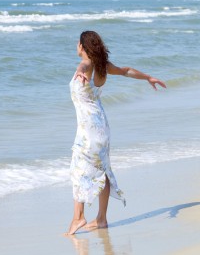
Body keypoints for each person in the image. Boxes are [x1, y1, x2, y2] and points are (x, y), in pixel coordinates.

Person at [66, 30, 166, 235]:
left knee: (78, 169)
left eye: (78, 43)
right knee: (103, 171)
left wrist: (78, 69)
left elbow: (83, 66)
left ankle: (78, 218)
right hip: (102, 126)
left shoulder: (85, 66)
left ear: (83, 47)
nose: (77, 46)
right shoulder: (104, 67)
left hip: (88, 130)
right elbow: (126, 70)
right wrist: (148, 77)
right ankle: (101, 219)